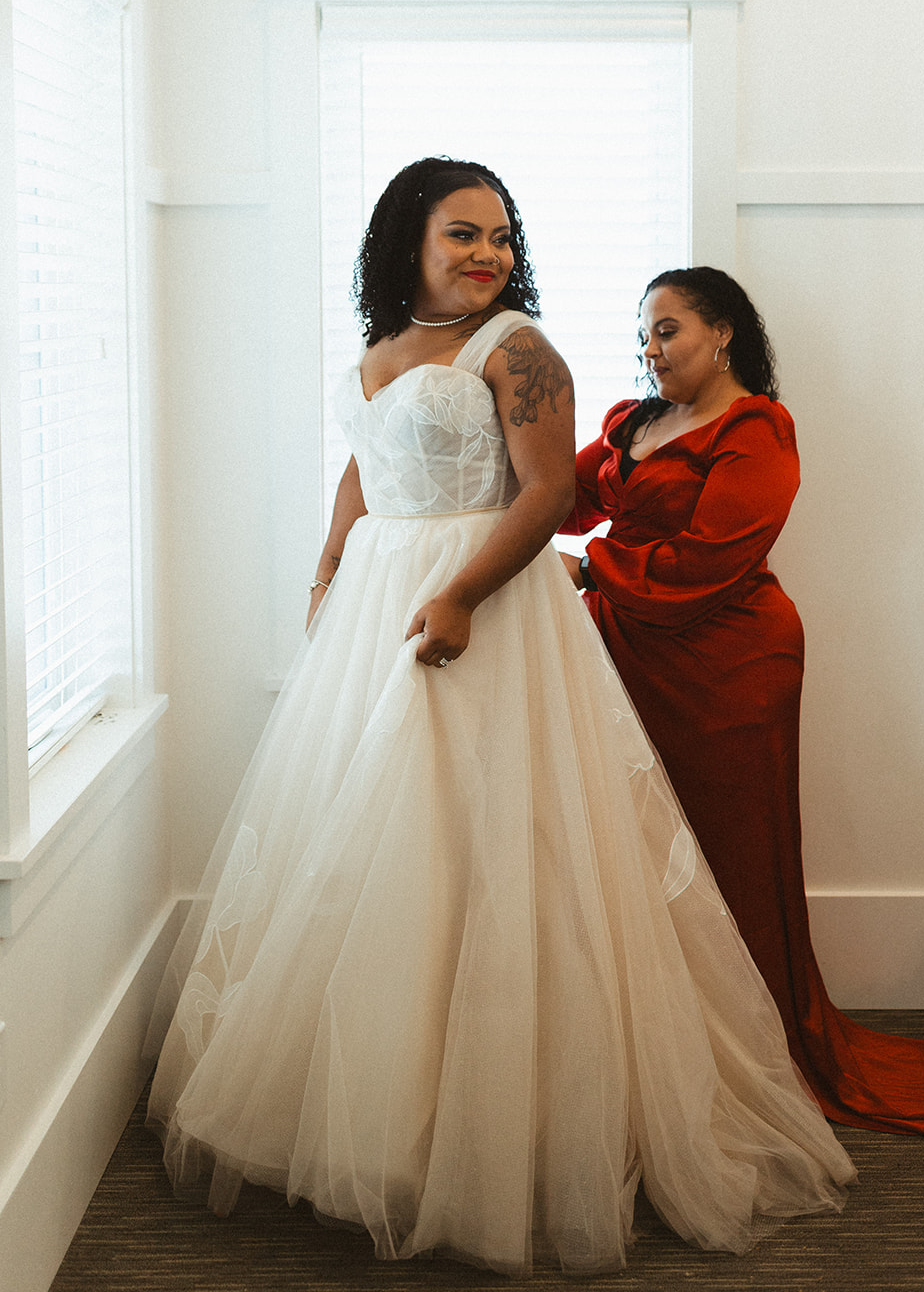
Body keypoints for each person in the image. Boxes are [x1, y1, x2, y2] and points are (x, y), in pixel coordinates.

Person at [146, 166, 855, 1276]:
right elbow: (366, 464)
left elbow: (544, 494)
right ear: (408, 240)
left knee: (492, 843)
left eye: (501, 235)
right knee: (374, 840)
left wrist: (463, 595)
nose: (489, 253)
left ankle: (508, 1124)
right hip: (376, 600)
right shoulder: (383, 346)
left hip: (476, 603)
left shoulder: (519, 349)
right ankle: (380, 1111)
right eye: (463, 233)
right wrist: (328, 565)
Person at [560, 266, 924, 1140]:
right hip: (629, 653)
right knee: (633, 848)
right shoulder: (635, 423)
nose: (649, 348)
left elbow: (712, 559)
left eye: (667, 329)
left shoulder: (757, 430)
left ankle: (756, 1051)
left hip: (728, 664)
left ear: (722, 332)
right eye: (642, 334)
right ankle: (664, 1048)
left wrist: (589, 567)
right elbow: (560, 494)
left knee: (734, 855)